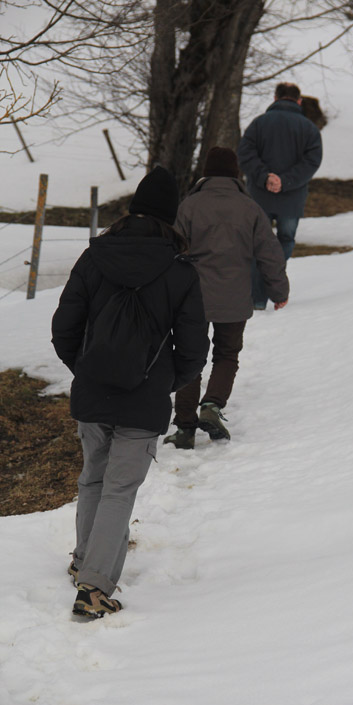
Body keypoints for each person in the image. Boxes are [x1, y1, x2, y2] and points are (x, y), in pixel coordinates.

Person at [51, 166, 209, 618]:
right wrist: (163, 382)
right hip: (145, 399)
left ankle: (85, 561)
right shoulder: (181, 271)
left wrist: (84, 369)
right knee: (119, 490)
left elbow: (64, 327)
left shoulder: (93, 257)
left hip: (93, 391)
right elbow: (195, 348)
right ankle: (93, 590)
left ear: (132, 210)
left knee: (92, 480)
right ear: (170, 217)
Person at [163, 146, 289, 450]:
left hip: (193, 297)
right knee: (227, 354)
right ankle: (212, 406)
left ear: (206, 173)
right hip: (234, 297)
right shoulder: (250, 208)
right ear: (236, 174)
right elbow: (270, 254)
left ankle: (184, 428)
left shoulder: (189, 206)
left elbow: (171, 251)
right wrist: (278, 290)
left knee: (189, 358)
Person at [237, 82, 323, 310]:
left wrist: (265, 177)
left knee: (257, 244)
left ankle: (256, 299)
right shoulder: (309, 128)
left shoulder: (258, 124)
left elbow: (245, 153)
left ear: (275, 98)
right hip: (292, 200)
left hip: (259, 197)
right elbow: (312, 162)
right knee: (285, 241)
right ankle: (274, 287)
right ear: (299, 101)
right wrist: (285, 181)